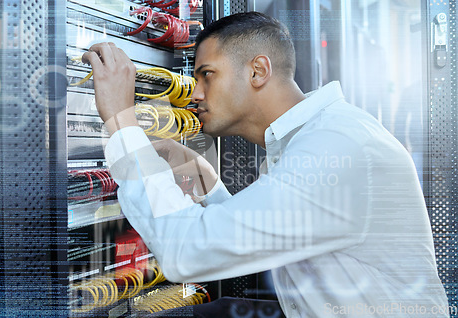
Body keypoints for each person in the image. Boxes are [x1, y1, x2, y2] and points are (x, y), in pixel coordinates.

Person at [83, 12, 449, 317]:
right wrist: (209, 183)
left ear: (258, 71)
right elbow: (258, 238)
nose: (195, 93)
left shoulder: (334, 150)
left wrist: (120, 119)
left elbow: (187, 252)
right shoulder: (318, 138)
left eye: (206, 74)